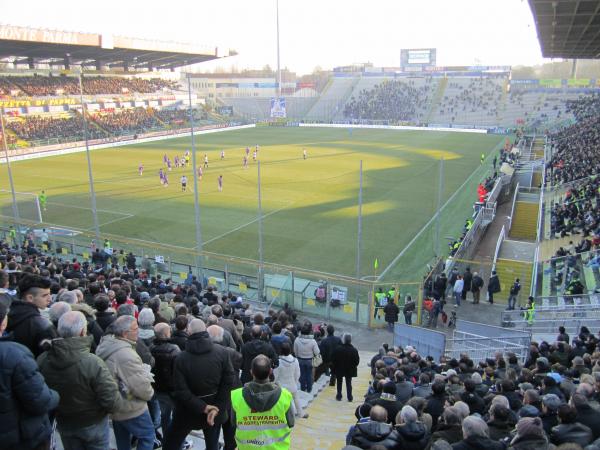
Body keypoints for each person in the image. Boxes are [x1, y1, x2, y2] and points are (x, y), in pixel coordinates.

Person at [38, 311, 122, 450]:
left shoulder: (43, 359)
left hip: (65, 422)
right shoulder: (93, 362)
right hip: (93, 422)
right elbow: (112, 401)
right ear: (83, 331)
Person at [163, 319, 234, 450]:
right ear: (205, 331)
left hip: (188, 411)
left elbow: (181, 391)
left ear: (189, 332)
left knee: (170, 443)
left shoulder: (181, 358)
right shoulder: (223, 352)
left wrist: (204, 407)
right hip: (214, 410)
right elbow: (228, 382)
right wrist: (215, 408)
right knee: (212, 444)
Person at [0, 302, 60, 450]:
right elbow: (40, 400)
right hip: (20, 437)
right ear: (3, 323)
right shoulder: (15, 354)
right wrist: (56, 395)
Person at [96, 316, 156, 450]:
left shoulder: (107, 343)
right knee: (148, 436)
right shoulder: (125, 354)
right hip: (130, 406)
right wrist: (150, 392)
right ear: (124, 333)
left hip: (116, 403)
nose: (138, 331)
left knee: (122, 438)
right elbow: (140, 387)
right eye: (135, 329)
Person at [231, 355, 295, 450]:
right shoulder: (285, 396)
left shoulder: (237, 396)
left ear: (251, 372)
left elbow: (234, 423)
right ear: (270, 371)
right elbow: (291, 423)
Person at [7, 273, 56, 357]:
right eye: (45, 296)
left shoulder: (7, 311)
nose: (49, 299)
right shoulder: (43, 327)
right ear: (30, 298)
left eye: (49, 294)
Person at [149, 322, 181, 439]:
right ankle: (171, 440)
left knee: (162, 414)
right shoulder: (174, 349)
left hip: (155, 386)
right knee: (168, 415)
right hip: (169, 389)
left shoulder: (150, 347)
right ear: (167, 333)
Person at [274, 342, 307, 418]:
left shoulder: (279, 362)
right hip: (292, 385)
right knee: (296, 398)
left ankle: (281, 416)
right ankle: (301, 413)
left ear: (281, 351)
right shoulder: (295, 360)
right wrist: (294, 382)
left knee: (280, 402)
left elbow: (275, 376)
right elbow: (297, 373)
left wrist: (275, 384)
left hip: (281, 387)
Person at [331, 333, 360, 402]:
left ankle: (339, 396)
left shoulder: (338, 349)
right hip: (349, 369)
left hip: (339, 368)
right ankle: (349, 397)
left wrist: (335, 366)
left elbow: (333, 359)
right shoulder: (354, 350)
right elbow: (357, 361)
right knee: (349, 382)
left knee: (339, 382)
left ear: (343, 340)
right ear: (350, 341)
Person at [293, 321, 320, 393]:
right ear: (309, 332)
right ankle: (309, 389)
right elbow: (317, 352)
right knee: (309, 374)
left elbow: (295, 351)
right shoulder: (313, 341)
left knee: (301, 374)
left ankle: (302, 388)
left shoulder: (297, 340)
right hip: (309, 360)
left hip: (300, 360)